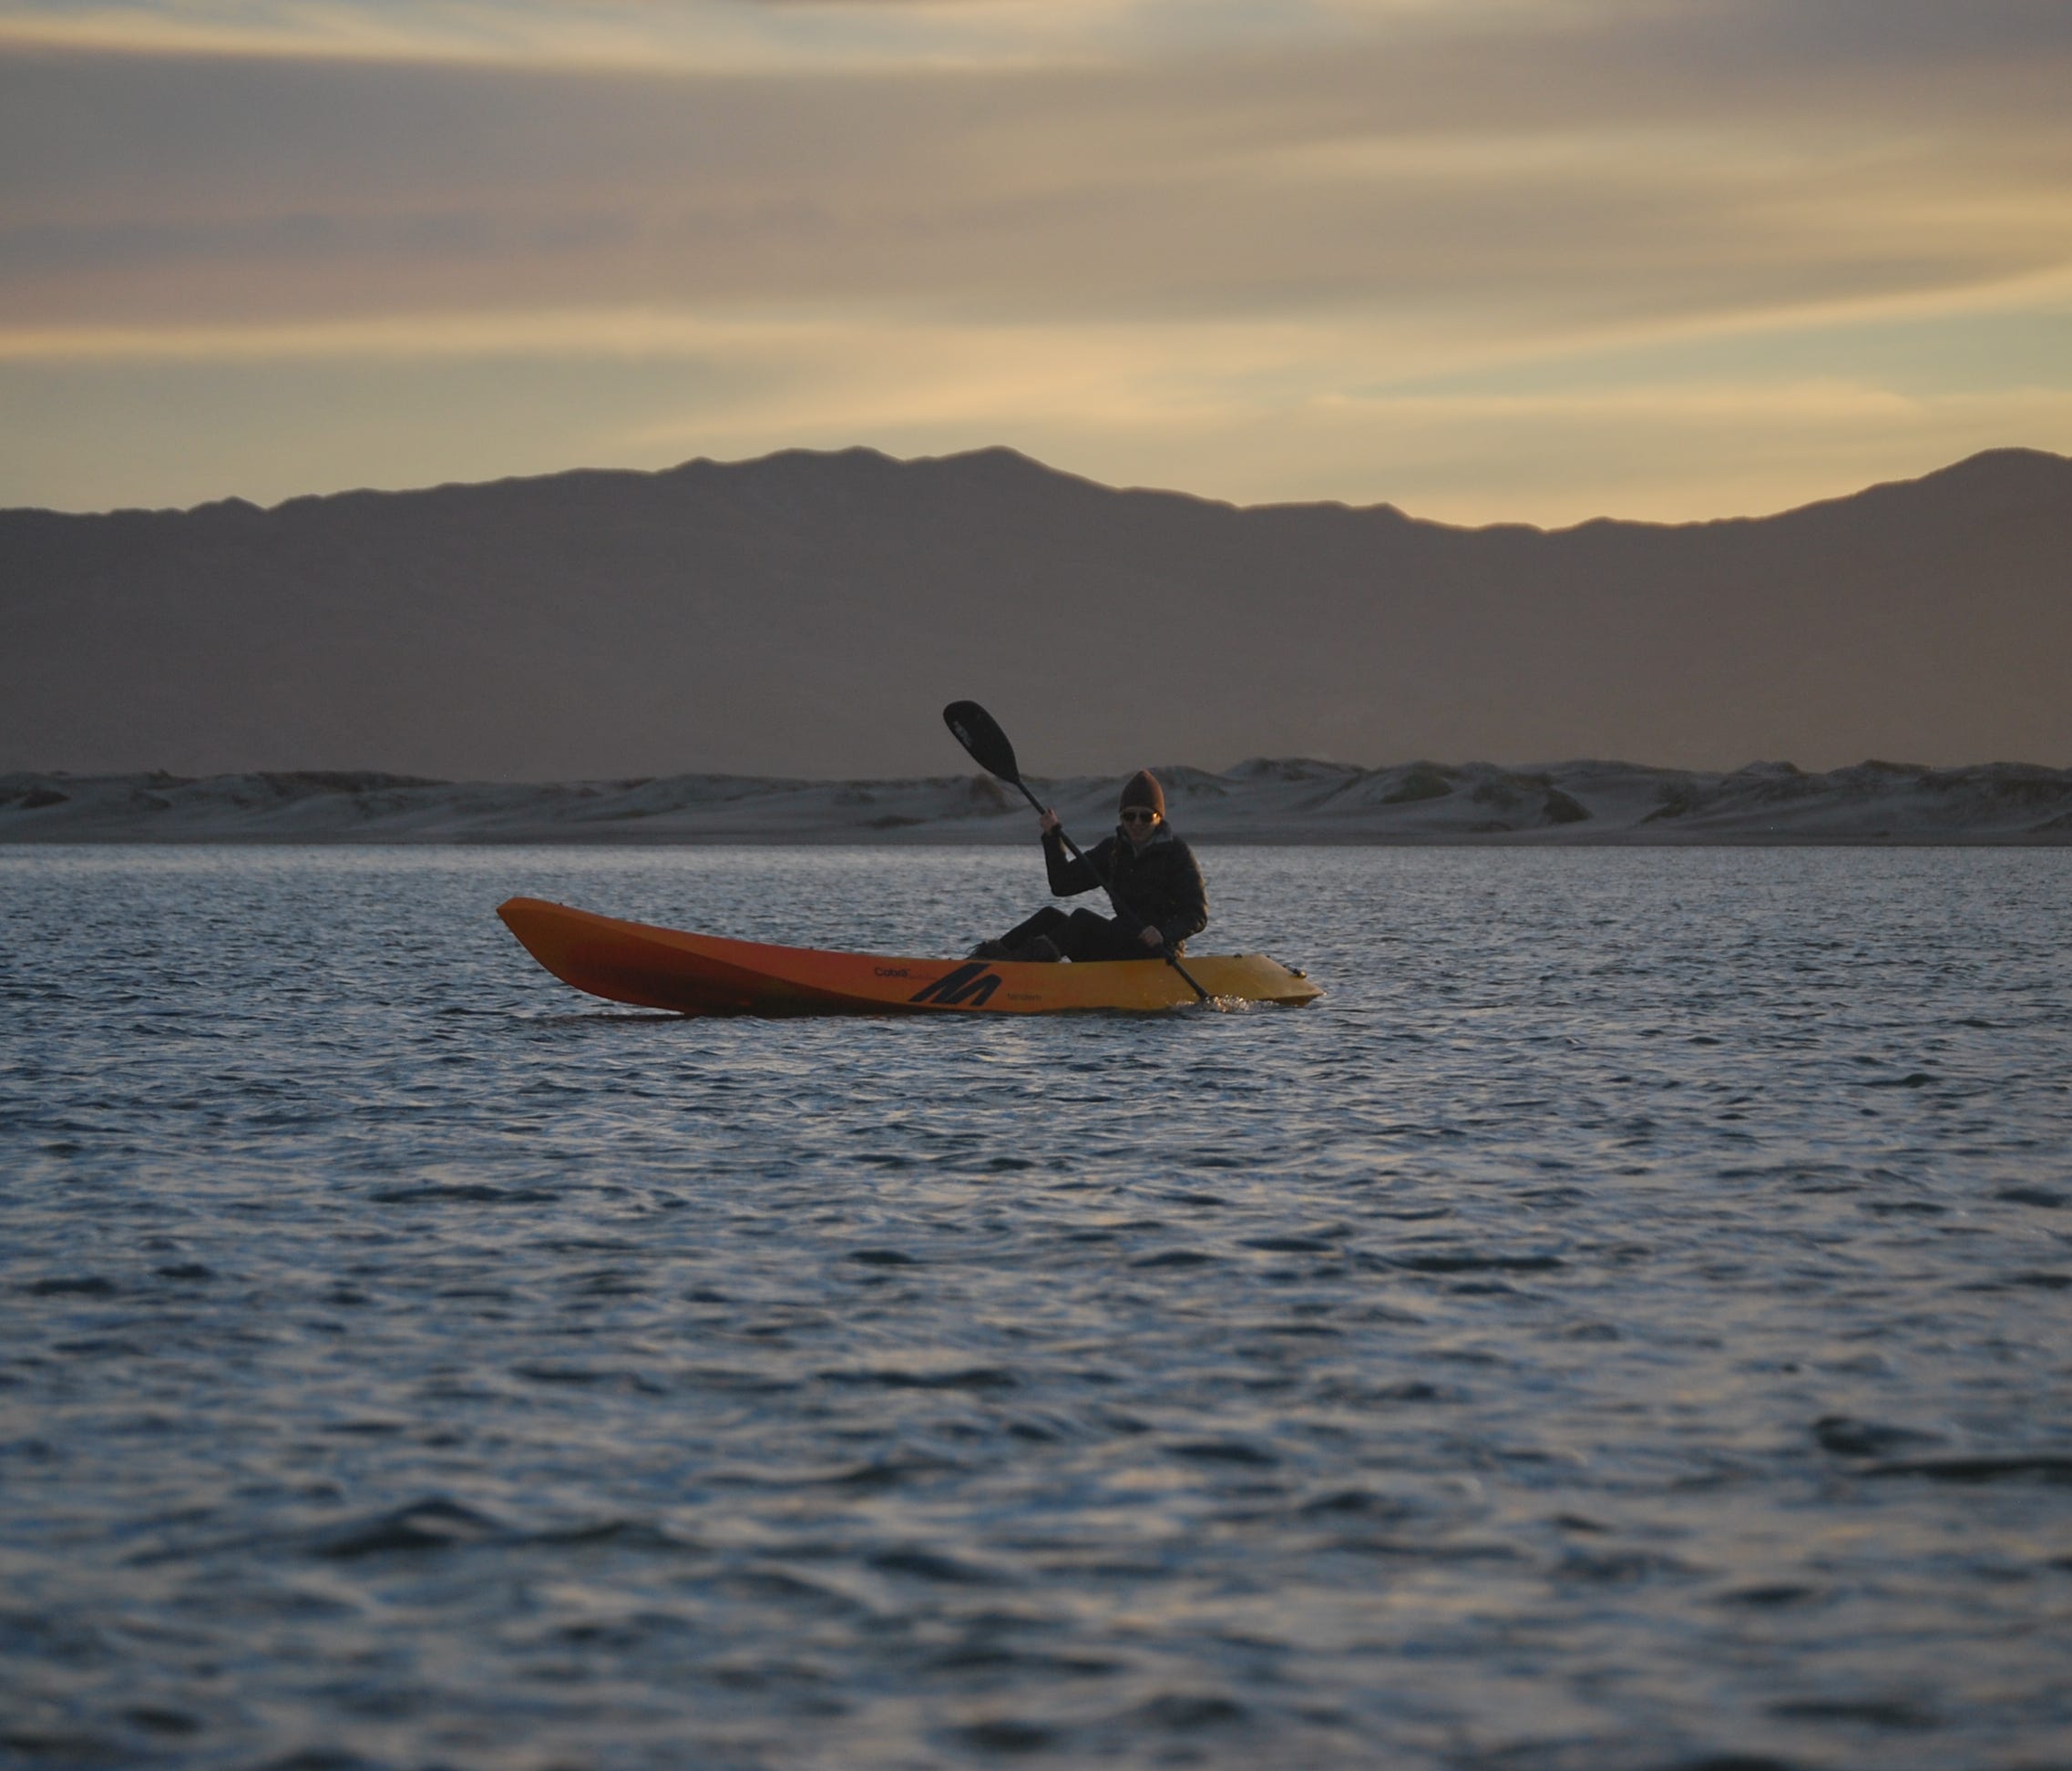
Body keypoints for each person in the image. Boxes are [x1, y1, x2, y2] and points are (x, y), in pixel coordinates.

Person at [971, 770, 1207, 962]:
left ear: (1159, 819)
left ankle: (1021, 970)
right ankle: (984, 961)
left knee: (1082, 920)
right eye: (1129, 816)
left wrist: (1164, 934)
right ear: (1121, 818)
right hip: (1119, 944)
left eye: (1145, 817)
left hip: (1155, 952)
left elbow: (1196, 914)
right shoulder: (1112, 850)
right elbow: (1062, 885)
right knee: (1049, 917)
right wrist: (1053, 838)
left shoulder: (1176, 853)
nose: (1136, 823)